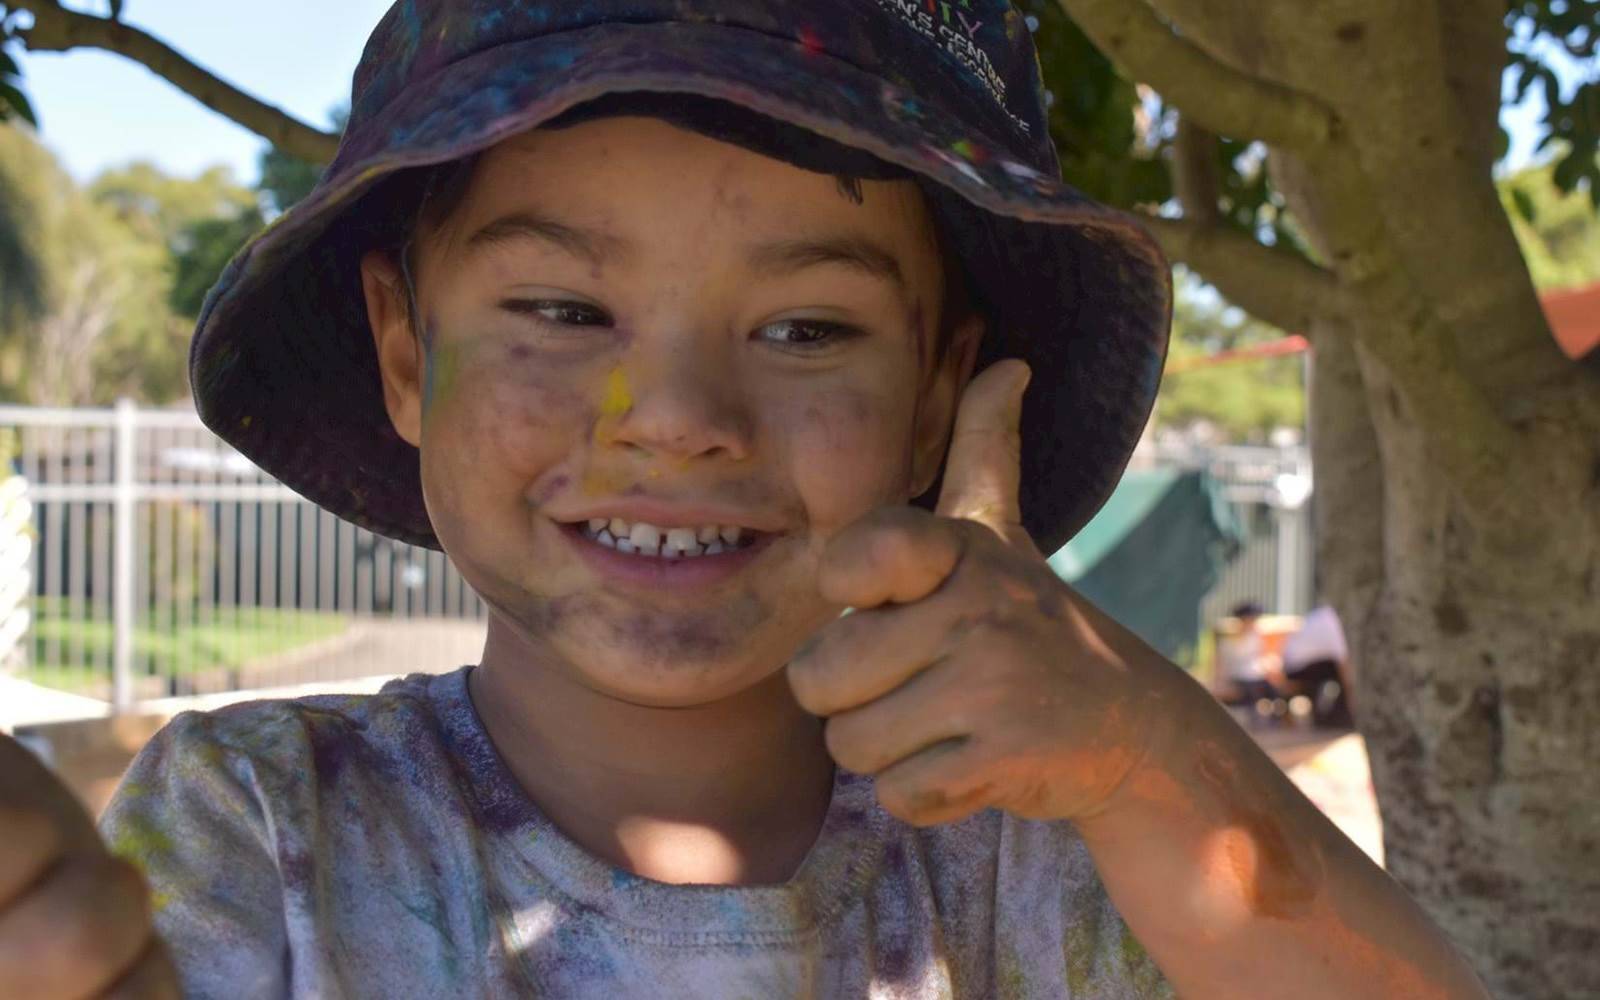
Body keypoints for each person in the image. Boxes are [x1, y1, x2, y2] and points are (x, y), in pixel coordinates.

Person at [0, 3, 1490, 998]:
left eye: (806, 331)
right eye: (563, 310)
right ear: (407, 353)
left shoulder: (1056, 857)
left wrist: (1156, 766)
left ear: (937, 390)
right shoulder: (264, 828)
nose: (681, 424)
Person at [1283, 604, 1356, 729]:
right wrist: (1352, 696)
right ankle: (1337, 717)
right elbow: (1342, 661)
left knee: (1333, 670)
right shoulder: (1333, 622)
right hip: (1301, 668)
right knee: (1340, 673)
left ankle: (1328, 715)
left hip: (1291, 666)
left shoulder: (1321, 614)